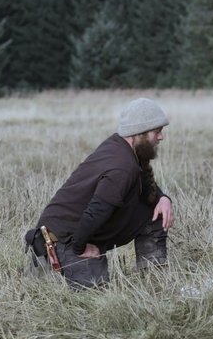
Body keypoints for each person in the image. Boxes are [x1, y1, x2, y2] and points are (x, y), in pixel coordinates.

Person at [24, 98, 174, 288]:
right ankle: (50, 270)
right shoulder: (122, 166)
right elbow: (97, 210)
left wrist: (162, 198)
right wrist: (79, 248)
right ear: (139, 132)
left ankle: (155, 281)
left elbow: (143, 177)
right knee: (93, 298)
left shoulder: (121, 146)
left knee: (155, 214)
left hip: (81, 231)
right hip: (63, 240)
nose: (161, 137)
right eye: (157, 131)